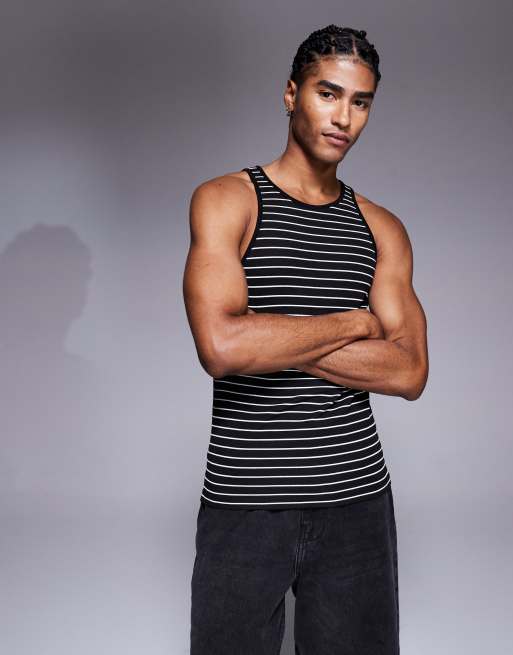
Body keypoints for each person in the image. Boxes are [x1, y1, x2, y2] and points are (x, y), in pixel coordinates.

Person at [182, 23, 428, 655]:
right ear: (291, 94)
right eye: (328, 93)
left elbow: (408, 372)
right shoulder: (228, 200)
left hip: (357, 504)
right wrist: (356, 322)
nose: (343, 116)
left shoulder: (382, 228)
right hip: (245, 502)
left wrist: (272, 338)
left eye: (360, 101)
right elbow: (222, 349)